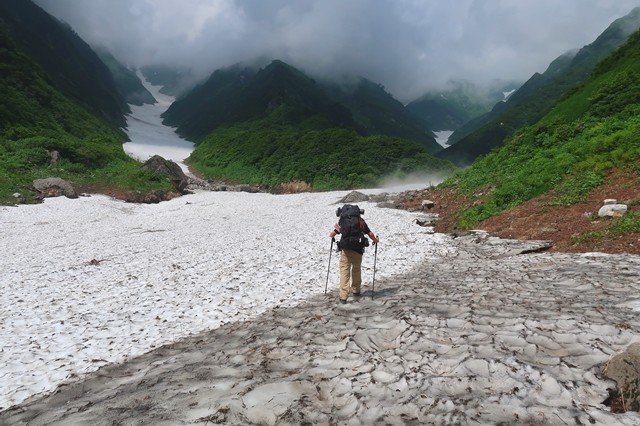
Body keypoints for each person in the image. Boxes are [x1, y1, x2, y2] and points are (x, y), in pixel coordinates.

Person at [329, 209, 379, 303]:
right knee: (356, 269)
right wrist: (375, 240)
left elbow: (333, 233)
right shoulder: (360, 221)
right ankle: (356, 290)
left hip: (345, 249)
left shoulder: (342, 221)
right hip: (358, 250)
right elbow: (370, 233)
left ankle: (343, 297)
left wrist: (332, 236)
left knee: (345, 271)